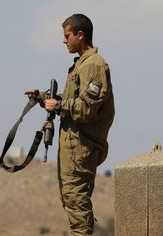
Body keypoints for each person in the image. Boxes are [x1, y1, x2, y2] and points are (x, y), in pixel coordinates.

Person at [25, 13, 115, 235]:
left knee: (77, 203)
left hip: (82, 148)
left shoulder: (93, 66)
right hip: (74, 148)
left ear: (80, 35)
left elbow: (86, 108)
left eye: (67, 36)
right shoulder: (82, 66)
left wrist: (58, 106)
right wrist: (43, 98)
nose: (64, 41)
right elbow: (69, 99)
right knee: (73, 202)